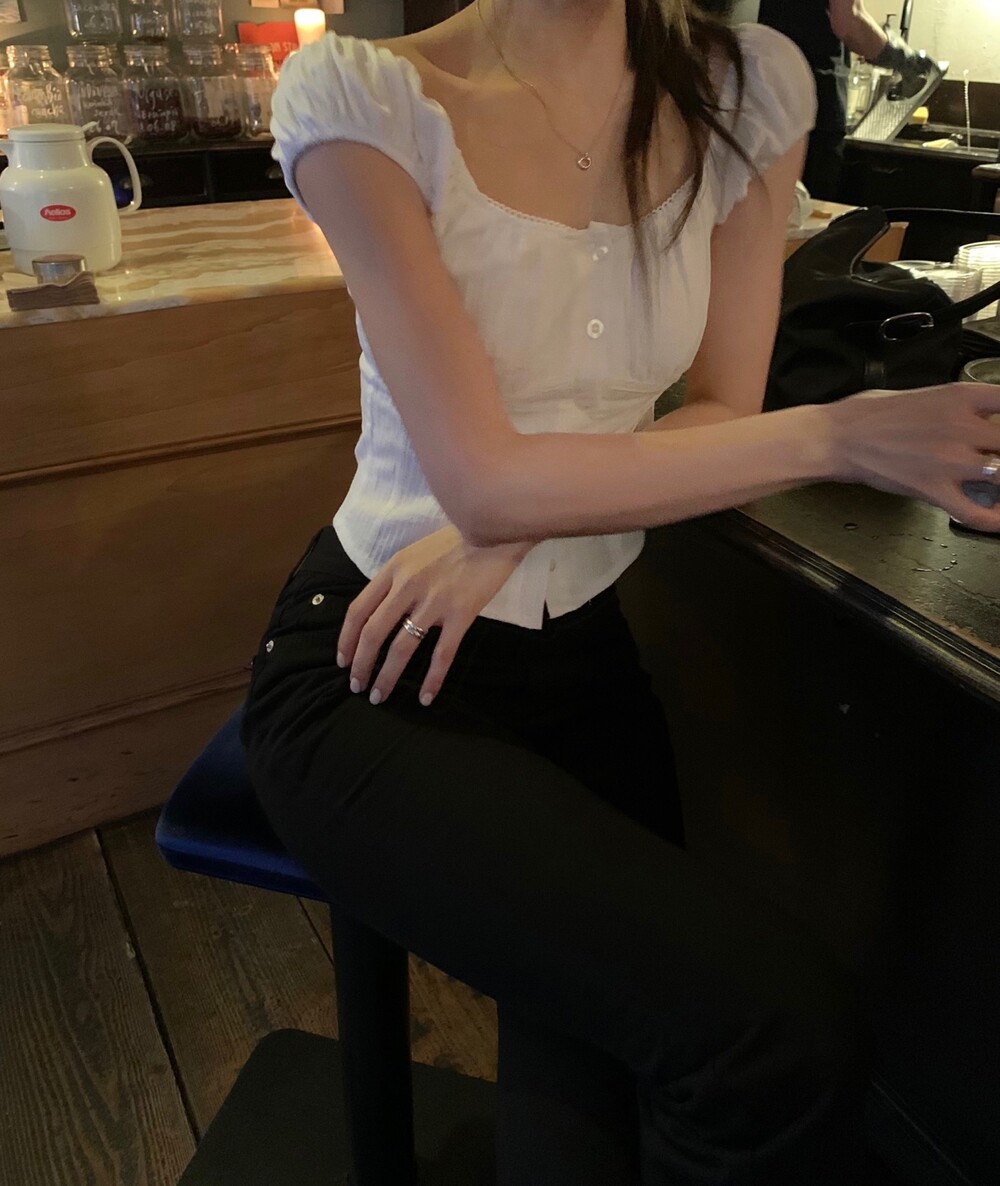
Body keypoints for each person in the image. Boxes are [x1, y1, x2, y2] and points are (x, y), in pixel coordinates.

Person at [241, 2, 1000, 1182]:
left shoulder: (749, 89)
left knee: (621, 1064)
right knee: (769, 1036)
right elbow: (483, 479)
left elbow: (720, 407)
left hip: (580, 656)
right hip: (373, 657)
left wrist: (512, 525)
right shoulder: (364, 100)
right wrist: (841, 434)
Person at [758, 0, 933, 198]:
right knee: (808, 206)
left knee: (763, 200)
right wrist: (903, 58)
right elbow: (849, 21)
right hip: (813, 92)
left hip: (762, 86)